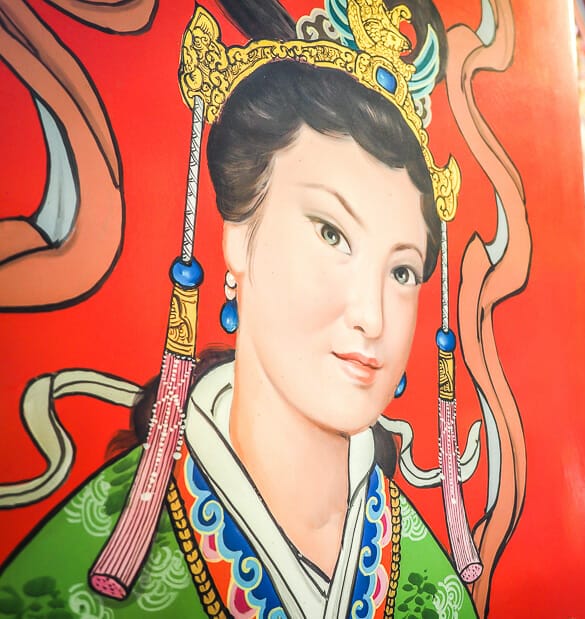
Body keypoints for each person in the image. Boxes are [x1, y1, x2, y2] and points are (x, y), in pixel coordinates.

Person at [0, 2, 478, 617]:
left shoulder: (429, 581)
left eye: (403, 270)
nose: (374, 318)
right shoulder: (66, 582)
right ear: (237, 235)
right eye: (331, 233)